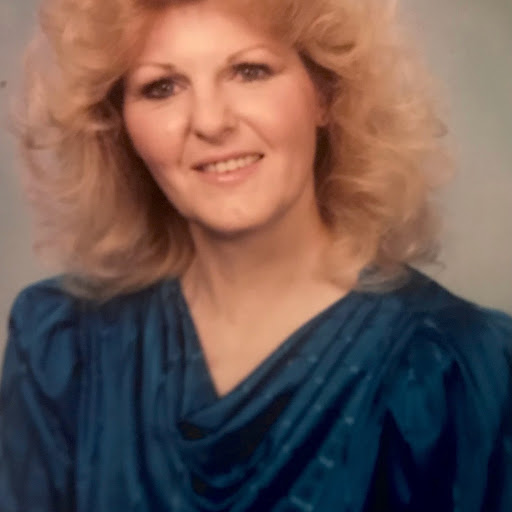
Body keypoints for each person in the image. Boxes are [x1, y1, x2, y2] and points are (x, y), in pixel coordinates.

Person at [1, 0, 511, 510]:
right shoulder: (64, 348)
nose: (210, 121)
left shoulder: (456, 369)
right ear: (119, 126)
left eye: (249, 71)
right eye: (162, 87)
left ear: (325, 93)